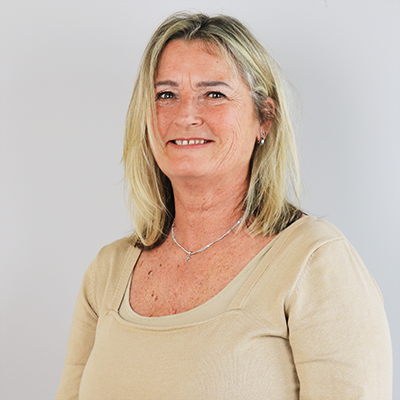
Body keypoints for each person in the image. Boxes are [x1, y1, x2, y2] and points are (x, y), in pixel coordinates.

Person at [56, 12, 392, 399]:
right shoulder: (107, 272)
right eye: (166, 95)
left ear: (265, 118)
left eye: (214, 94)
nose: (186, 115)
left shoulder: (315, 263)